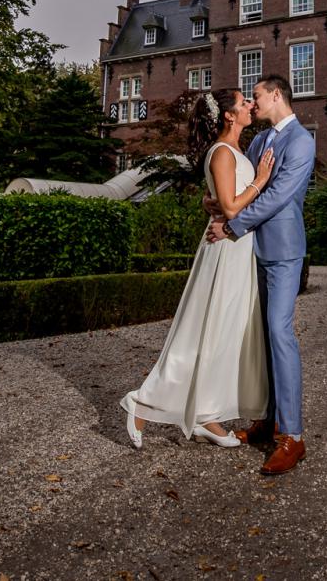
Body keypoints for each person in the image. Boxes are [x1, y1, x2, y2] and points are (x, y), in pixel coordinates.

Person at [120, 88, 275, 448]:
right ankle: (142, 403)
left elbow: (221, 200)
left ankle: (208, 416)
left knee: (225, 335)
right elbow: (233, 209)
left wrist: (216, 200)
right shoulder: (222, 152)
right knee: (202, 331)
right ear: (229, 116)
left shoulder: (235, 150)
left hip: (238, 250)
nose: (250, 105)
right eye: (243, 103)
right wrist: (260, 181)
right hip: (224, 251)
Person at [206, 75, 316, 476]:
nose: (252, 104)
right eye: (248, 100)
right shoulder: (259, 141)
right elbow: (241, 188)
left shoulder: (301, 140)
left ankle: (293, 436)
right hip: (252, 250)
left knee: (280, 332)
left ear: (275, 95)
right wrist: (217, 205)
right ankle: (268, 420)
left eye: (256, 97)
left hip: (284, 251)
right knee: (263, 336)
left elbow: (277, 194)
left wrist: (232, 226)